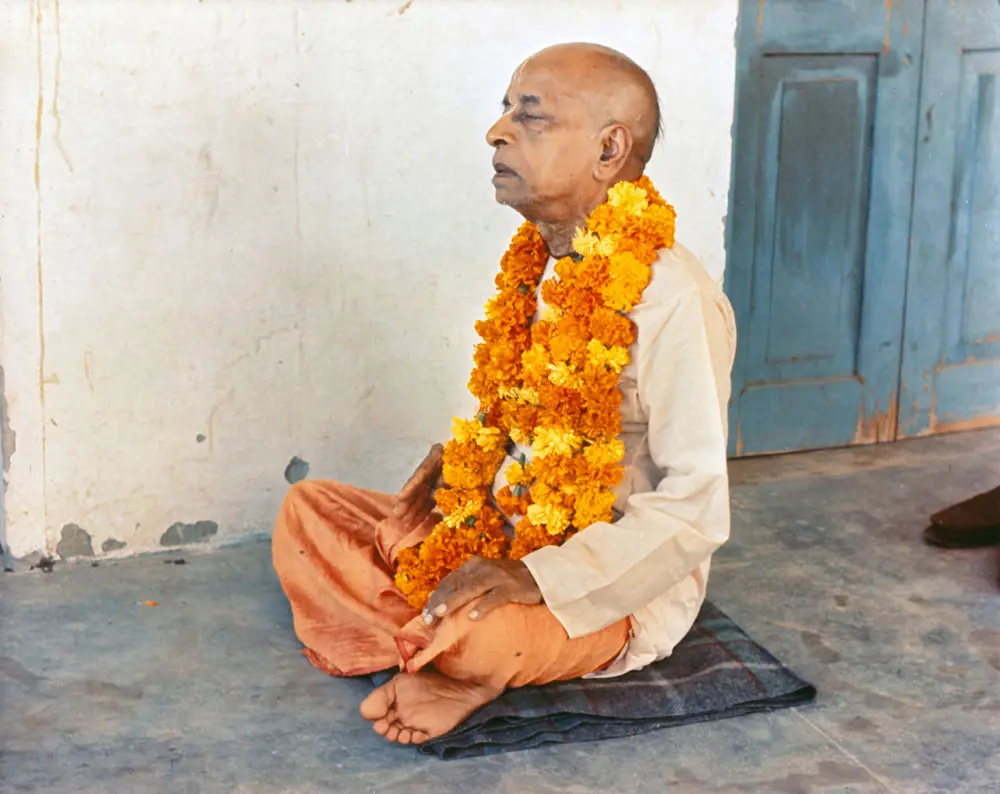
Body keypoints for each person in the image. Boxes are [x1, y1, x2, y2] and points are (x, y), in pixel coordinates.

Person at [271, 42, 737, 745]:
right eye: (504, 111)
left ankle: (454, 659)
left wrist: (536, 576)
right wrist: (467, 475)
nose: (497, 131)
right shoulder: (545, 265)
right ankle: (431, 638)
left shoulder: (670, 296)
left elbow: (695, 508)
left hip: (601, 584)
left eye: (532, 116)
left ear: (610, 149)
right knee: (311, 510)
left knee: (477, 637)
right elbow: (530, 433)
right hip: (508, 530)